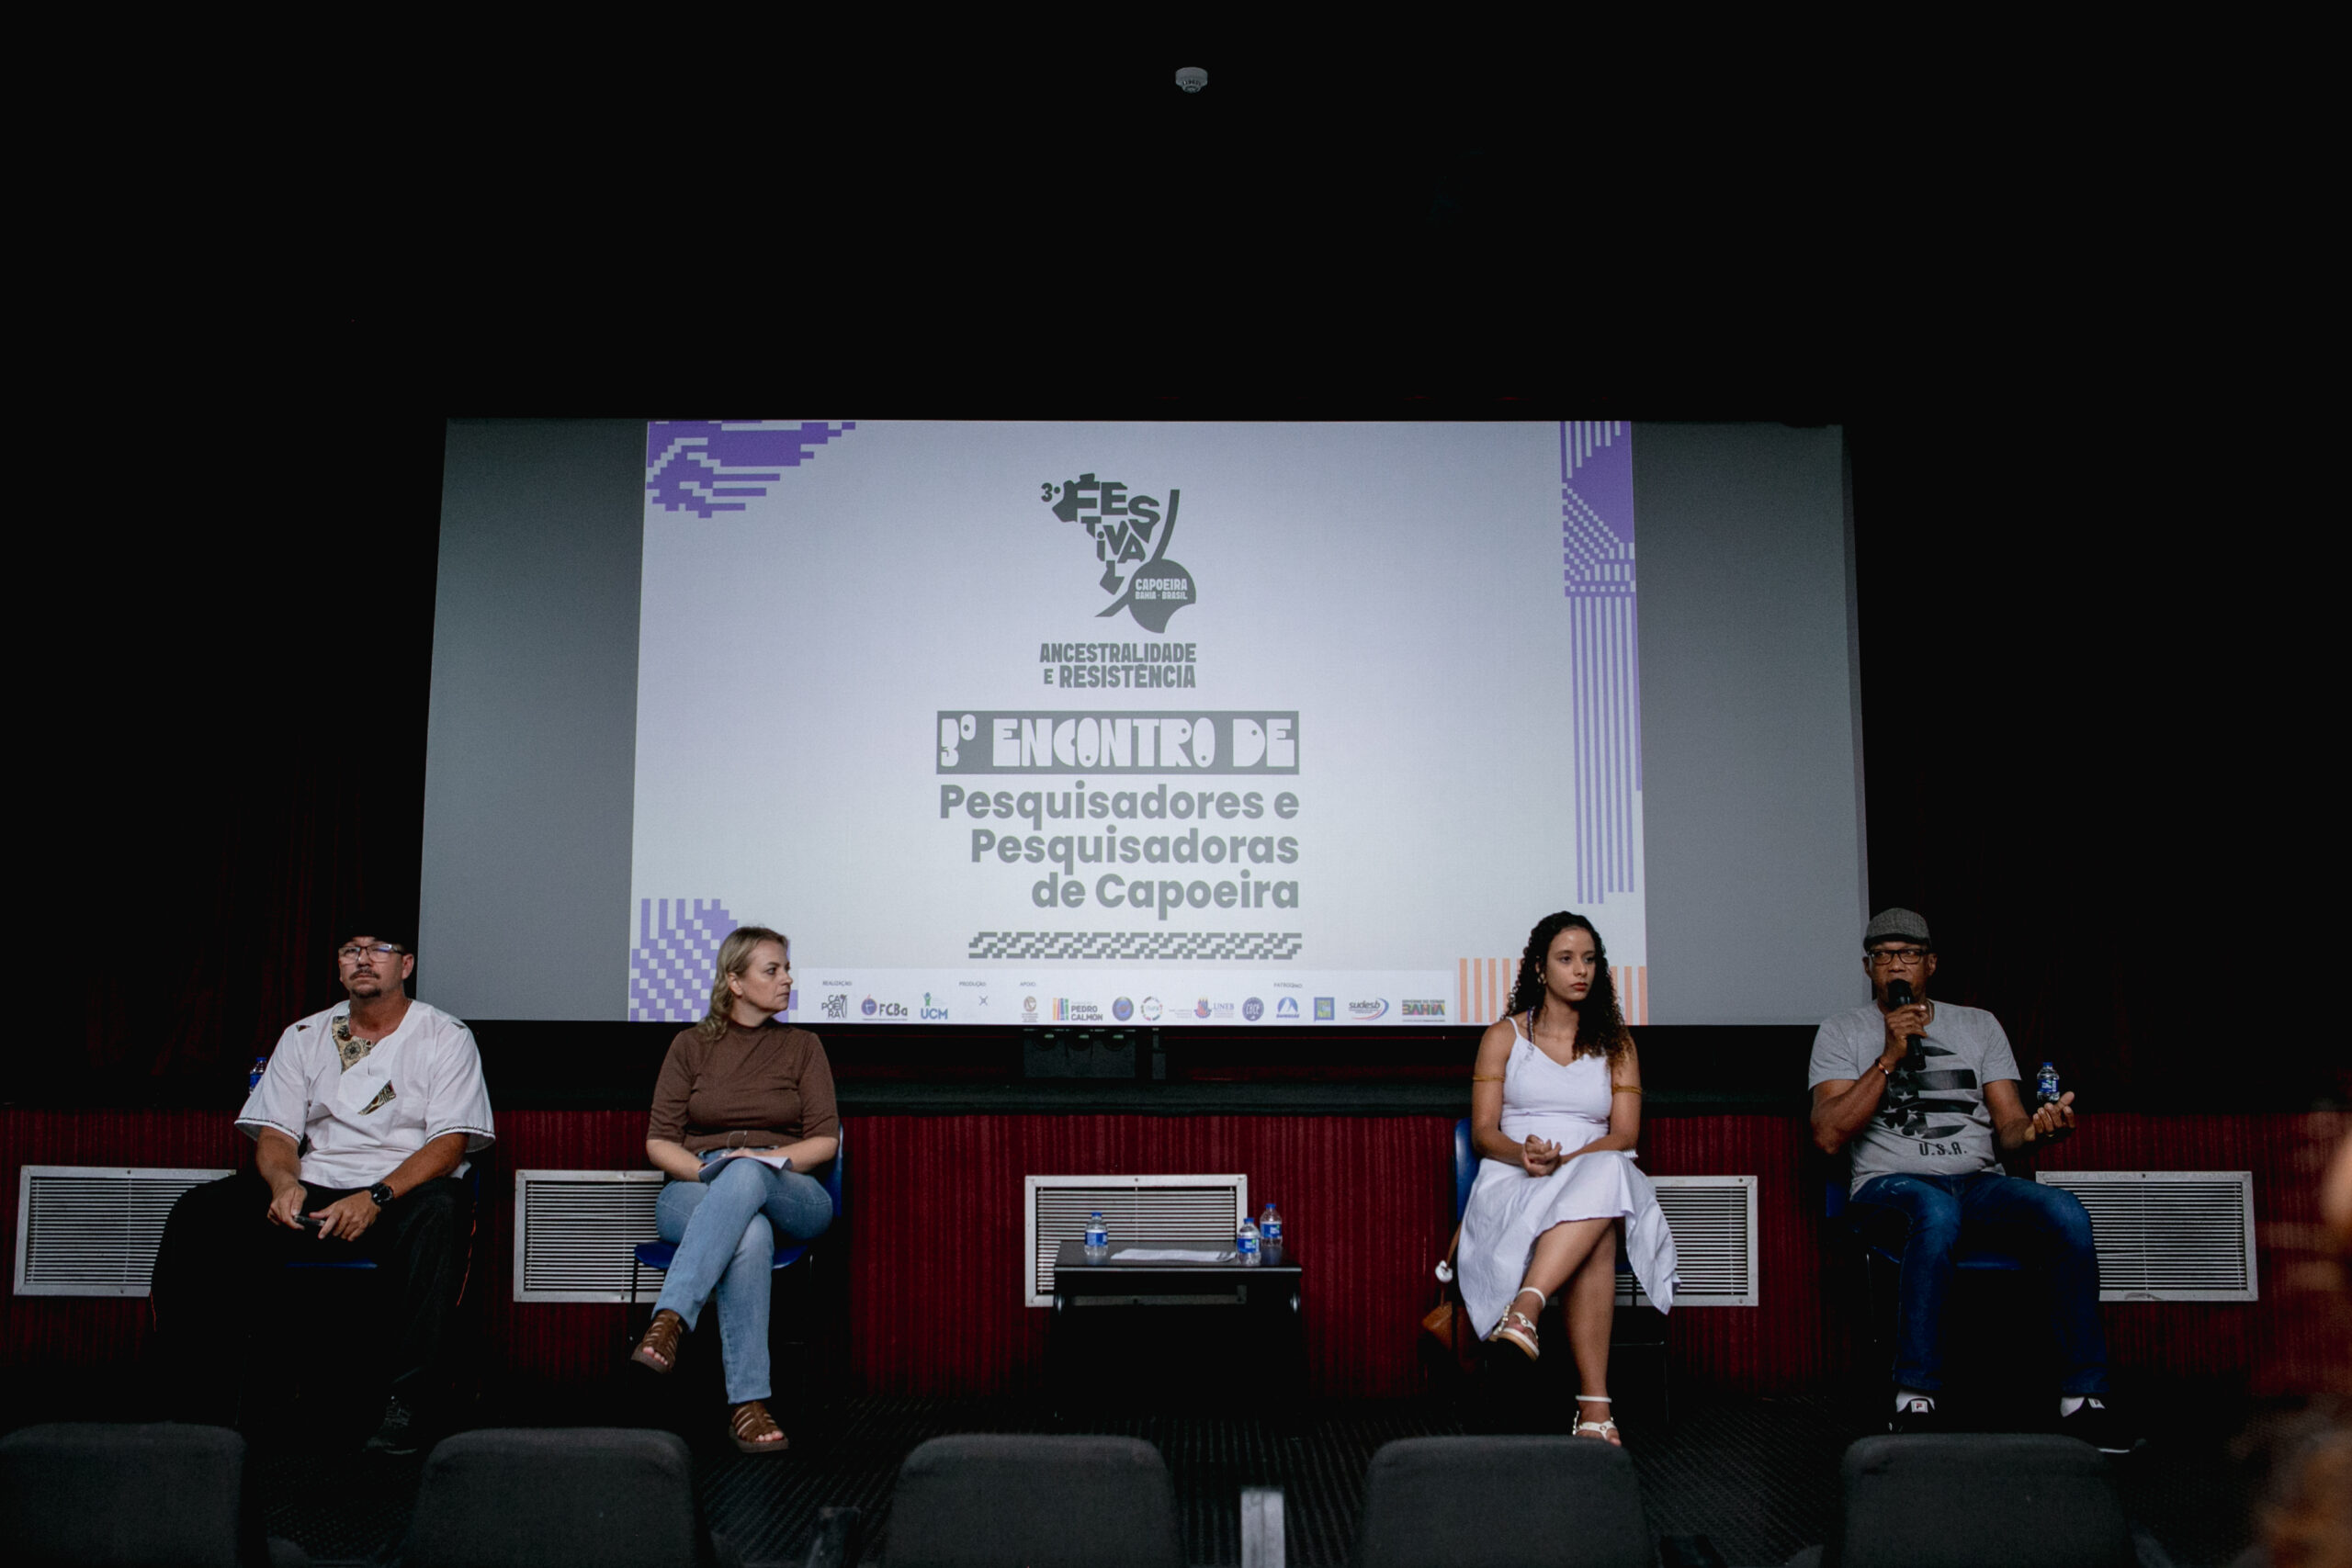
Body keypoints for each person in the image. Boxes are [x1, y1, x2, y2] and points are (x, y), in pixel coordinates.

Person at [152, 926, 495, 1454]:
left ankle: (409, 1404)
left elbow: (448, 1145)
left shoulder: (444, 1035)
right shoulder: (305, 1034)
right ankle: (198, 1399)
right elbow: (277, 1134)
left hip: (402, 1193)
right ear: (339, 967)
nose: (364, 959)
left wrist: (377, 1197)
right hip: (316, 1186)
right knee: (201, 1211)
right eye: (351, 950)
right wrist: (283, 1182)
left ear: (405, 966)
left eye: (379, 949)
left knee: (444, 1214)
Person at [1808, 907, 2135, 1450]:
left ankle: (2084, 1398)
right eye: (1884, 956)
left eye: (1908, 955)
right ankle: (1915, 1394)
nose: (1896, 966)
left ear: (1929, 965)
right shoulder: (1842, 1031)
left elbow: (2008, 1129)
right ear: (1868, 968)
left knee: (2066, 1212)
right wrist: (1888, 1058)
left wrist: (2037, 1132)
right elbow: (1827, 1134)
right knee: (1935, 1211)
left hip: (1977, 1181)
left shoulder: (1979, 1025)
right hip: (1890, 1185)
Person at [1456, 911, 1678, 1445]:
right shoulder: (1503, 1037)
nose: (1581, 970)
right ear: (1539, 968)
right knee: (1598, 1222)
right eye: (1565, 959)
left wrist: (1572, 1162)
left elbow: (1623, 1135)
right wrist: (1524, 1153)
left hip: (1592, 1167)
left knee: (1604, 1173)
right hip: (1516, 1177)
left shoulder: (1617, 1043)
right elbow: (1485, 1134)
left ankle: (1526, 1307)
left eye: (1590, 959)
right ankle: (1595, 1409)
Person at [628, 926, 838, 1455]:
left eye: (787, 968)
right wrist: (714, 1176)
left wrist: (757, 1163)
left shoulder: (803, 1047)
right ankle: (748, 1404)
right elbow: (659, 1143)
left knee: (748, 1179)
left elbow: (824, 1142)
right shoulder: (690, 1046)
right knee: (750, 1232)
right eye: (773, 970)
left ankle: (671, 1318)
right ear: (735, 981)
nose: (787, 979)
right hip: (697, 1185)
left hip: (791, 1189)